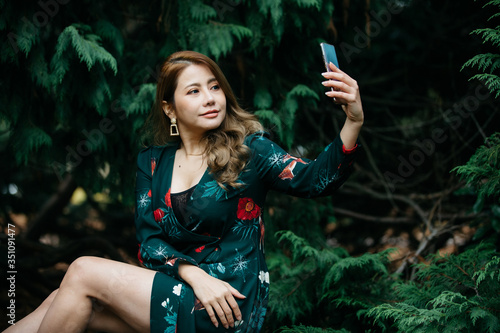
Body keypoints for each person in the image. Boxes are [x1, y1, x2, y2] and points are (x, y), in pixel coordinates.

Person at [4, 50, 363, 333]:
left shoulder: (249, 151)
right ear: (169, 108)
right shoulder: (152, 163)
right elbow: (150, 244)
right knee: (64, 298)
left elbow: (317, 179)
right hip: (190, 288)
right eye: (194, 91)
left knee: (82, 270)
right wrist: (194, 274)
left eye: (214, 86)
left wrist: (354, 120)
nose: (210, 98)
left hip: (228, 301)